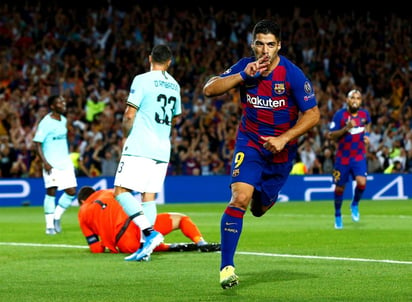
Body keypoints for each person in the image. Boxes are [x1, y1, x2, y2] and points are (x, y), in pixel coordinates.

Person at [202, 19, 320, 289]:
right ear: (253, 44)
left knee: (258, 208)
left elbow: (313, 114)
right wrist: (243, 75)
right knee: (240, 198)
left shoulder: (292, 74)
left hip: (280, 150)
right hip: (250, 143)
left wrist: (284, 138)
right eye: (260, 44)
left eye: (270, 44)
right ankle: (226, 268)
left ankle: (266, 196)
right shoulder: (245, 66)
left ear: (279, 45)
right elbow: (209, 89)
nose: (265, 50)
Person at [113, 44, 182, 261]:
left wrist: (126, 134)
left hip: (141, 145)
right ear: (169, 62)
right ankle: (145, 249)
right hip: (163, 148)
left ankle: (150, 235)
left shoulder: (142, 79)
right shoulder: (175, 85)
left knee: (120, 191)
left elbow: (129, 114)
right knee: (148, 197)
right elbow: (176, 116)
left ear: (149, 58)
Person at [77, 186, 220, 255]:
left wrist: (105, 240)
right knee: (181, 219)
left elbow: (96, 249)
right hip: (139, 224)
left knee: (139, 246)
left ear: (83, 200)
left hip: (124, 245)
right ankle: (200, 242)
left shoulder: (83, 211)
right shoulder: (110, 191)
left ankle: (168, 247)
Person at [32, 95, 77, 235]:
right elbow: (37, 144)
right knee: (51, 192)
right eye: (60, 102)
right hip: (51, 163)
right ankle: (49, 226)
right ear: (52, 106)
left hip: (65, 162)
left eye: (64, 101)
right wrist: (45, 162)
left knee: (71, 191)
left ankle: (57, 217)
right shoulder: (45, 122)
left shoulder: (63, 120)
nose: (63, 104)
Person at [327, 89, 371, 229]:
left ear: (361, 101)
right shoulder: (339, 115)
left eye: (358, 98)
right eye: (353, 97)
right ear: (347, 100)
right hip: (342, 158)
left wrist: (367, 135)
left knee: (362, 182)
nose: (355, 100)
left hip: (358, 156)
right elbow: (331, 135)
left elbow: (368, 123)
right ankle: (338, 215)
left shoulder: (364, 114)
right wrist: (346, 128)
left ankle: (355, 204)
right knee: (340, 188)